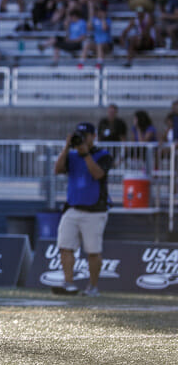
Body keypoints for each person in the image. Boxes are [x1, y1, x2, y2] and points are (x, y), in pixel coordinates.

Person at [53, 122, 113, 296]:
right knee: (65, 246)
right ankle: (68, 283)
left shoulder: (103, 155)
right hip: (72, 208)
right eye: (79, 136)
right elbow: (57, 169)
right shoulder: (71, 156)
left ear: (93, 137)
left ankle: (93, 287)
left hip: (95, 210)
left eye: (84, 136)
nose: (82, 139)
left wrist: (85, 153)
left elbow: (98, 174)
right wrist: (66, 147)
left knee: (93, 251)